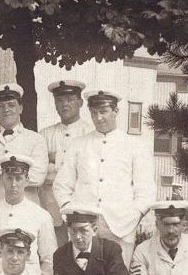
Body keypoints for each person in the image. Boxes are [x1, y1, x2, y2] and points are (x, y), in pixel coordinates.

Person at [53, 89, 156, 265]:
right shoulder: (78, 145)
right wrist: (71, 213)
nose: (98, 118)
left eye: (104, 112)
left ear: (116, 111)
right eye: (94, 113)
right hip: (83, 226)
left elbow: (146, 190)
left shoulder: (135, 146)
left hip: (120, 227)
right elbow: (61, 185)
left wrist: (133, 216)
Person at [0, 155, 56, 275]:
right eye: (9, 178)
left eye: (19, 178)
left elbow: (49, 259)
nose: (13, 184)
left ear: (27, 180)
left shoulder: (41, 215)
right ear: (2, 179)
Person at [0, 83, 49, 209]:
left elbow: (38, 177)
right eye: (1, 106)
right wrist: (21, 165)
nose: (6, 109)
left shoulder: (36, 139)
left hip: (26, 210)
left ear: (21, 108)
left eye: (11, 105)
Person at [39, 80, 94, 245]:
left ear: (80, 102)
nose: (65, 104)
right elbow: (39, 171)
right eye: (60, 100)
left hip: (82, 208)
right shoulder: (44, 134)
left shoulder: (90, 133)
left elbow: (88, 171)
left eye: (70, 99)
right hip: (51, 208)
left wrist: (53, 159)